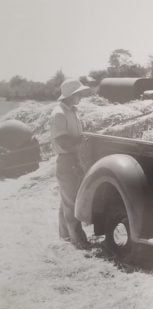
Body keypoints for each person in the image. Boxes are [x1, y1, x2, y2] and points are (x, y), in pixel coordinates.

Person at [51, 79, 89, 248]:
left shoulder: (73, 111)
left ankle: (65, 237)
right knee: (72, 201)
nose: (80, 96)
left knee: (66, 200)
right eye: (78, 94)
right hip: (66, 160)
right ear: (70, 95)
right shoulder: (59, 113)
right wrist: (79, 143)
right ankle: (78, 240)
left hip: (73, 158)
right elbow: (62, 140)